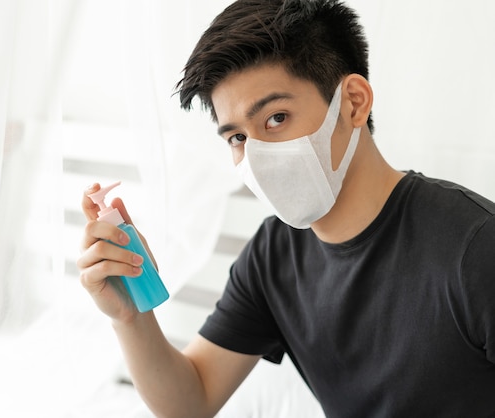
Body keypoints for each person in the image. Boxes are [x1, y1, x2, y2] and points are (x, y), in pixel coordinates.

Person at [77, 0, 495, 416]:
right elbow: (192, 399)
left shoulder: (475, 249)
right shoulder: (273, 256)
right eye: (237, 138)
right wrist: (131, 319)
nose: (256, 155)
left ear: (353, 101)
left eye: (276, 118)